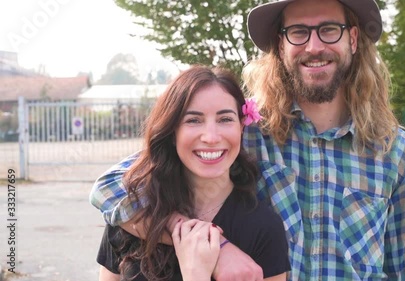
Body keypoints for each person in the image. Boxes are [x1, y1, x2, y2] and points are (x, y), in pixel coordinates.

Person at [90, 0, 405, 280]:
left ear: (353, 39)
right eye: (298, 32)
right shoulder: (242, 135)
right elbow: (112, 188)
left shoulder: (395, 152)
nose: (314, 47)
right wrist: (211, 245)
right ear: (280, 45)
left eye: (330, 29)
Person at [94, 65, 290, 281]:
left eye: (225, 119)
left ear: (242, 127)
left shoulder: (264, 228)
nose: (211, 137)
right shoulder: (133, 211)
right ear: (172, 132)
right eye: (193, 120)